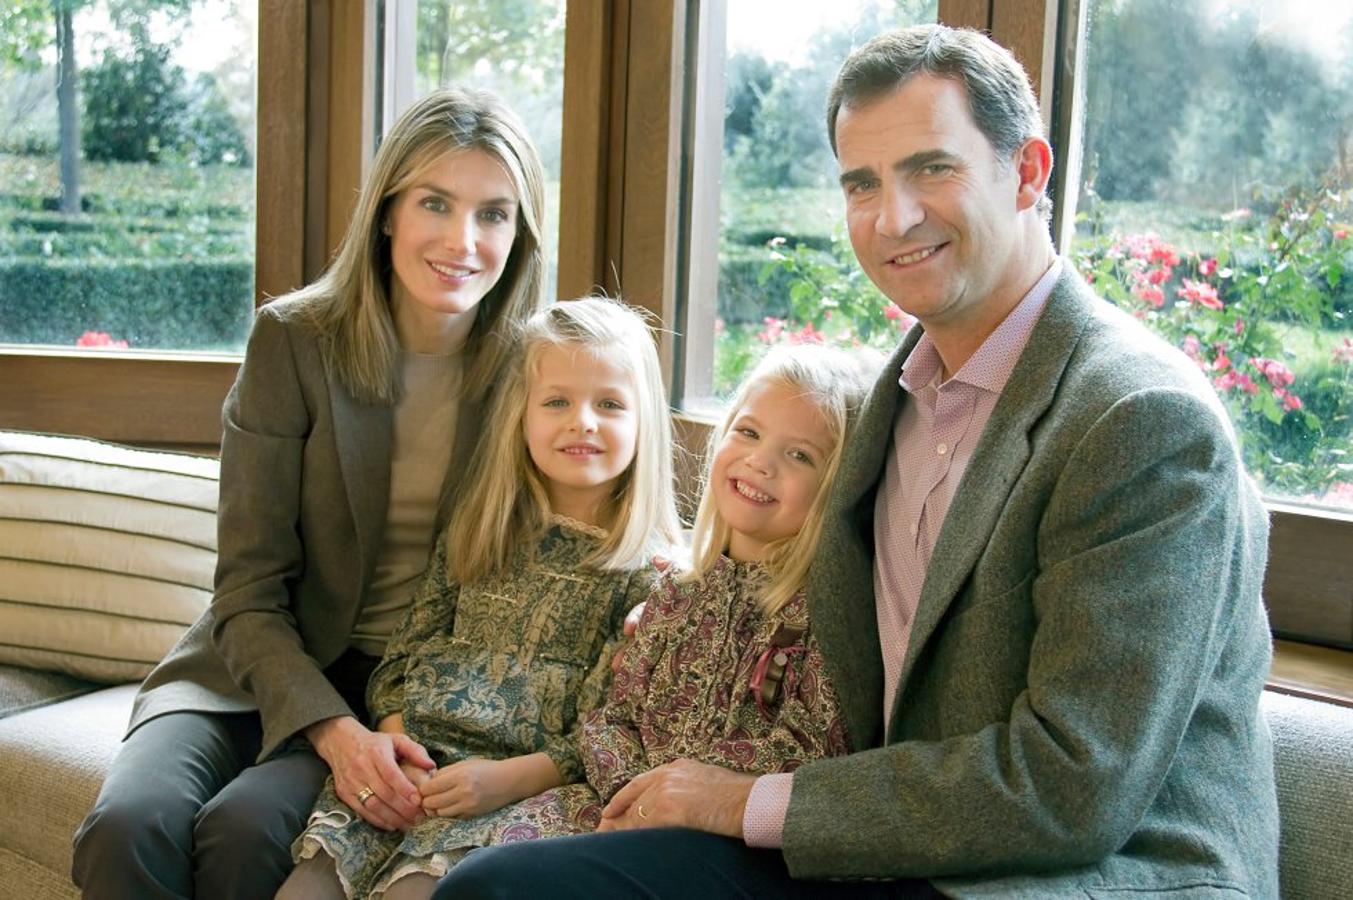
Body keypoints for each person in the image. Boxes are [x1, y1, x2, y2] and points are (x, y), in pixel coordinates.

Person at [434, 24, 1278, 899]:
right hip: (891, 846)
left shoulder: (1139, 420)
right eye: (861, 183)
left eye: (931, 169)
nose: (892, 217)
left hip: (1084, 874)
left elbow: (1071, 786)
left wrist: (749, 802)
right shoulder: (896, 395)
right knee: (499, 889)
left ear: (1027, 172)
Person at [71, 87, 549, 900]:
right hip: (241, 663)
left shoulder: (534, 373)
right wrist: (330, 732)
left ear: (520, 231)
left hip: (395, 689)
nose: (463, 240)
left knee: (247, 832)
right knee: (129, 824)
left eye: (494, 213)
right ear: (389, 211)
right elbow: (247, 590)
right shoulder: (294, 341)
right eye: (436, 202)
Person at [278, 295, 681, 899]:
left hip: (528, 792)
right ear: (519, 415)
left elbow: (612, 734)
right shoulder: (477, 533)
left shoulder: (649, 578)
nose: (583, 422)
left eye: (610, 404)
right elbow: (400, 660)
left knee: (414, 894)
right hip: (416, 767)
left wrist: (504, 782)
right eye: (556, 402)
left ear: (644, 419)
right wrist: (395, 741)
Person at [579, 345, 868, 819]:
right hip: (615, 809)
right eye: (748, 432)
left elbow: (813, 748)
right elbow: (610, 718)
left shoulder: (821, 617)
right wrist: (633, 799)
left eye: (799, 455)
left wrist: (677, 800)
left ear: (836, 487)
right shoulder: (674, 590)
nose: (759, 462)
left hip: (722, 839)